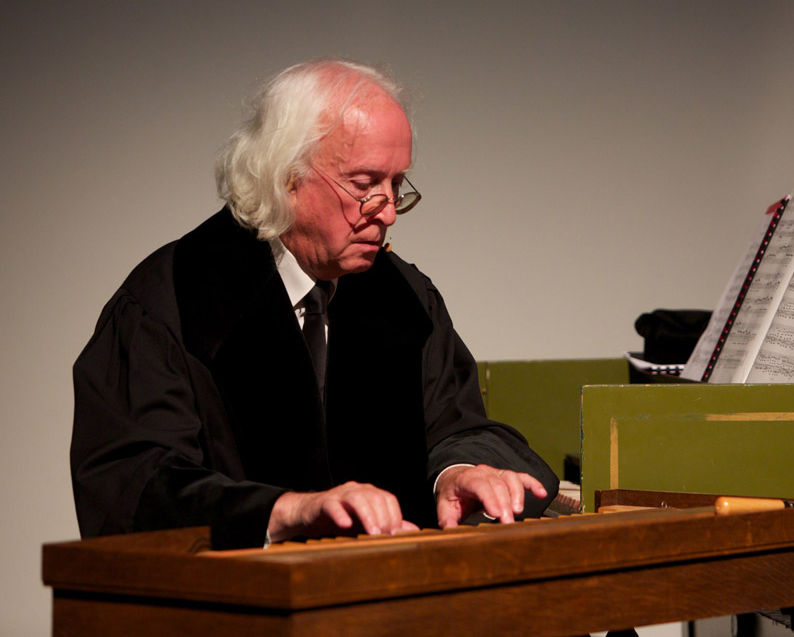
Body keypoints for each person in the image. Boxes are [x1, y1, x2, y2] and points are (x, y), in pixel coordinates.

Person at [70, 58, 558, 550]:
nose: (387, 211)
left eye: (396, 184)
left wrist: (458, 471)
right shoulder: (170, 305)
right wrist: (286, 511)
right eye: (365, 185)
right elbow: (133, 484)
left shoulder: (404, 300)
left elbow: (458, 423)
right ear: (286, 176)